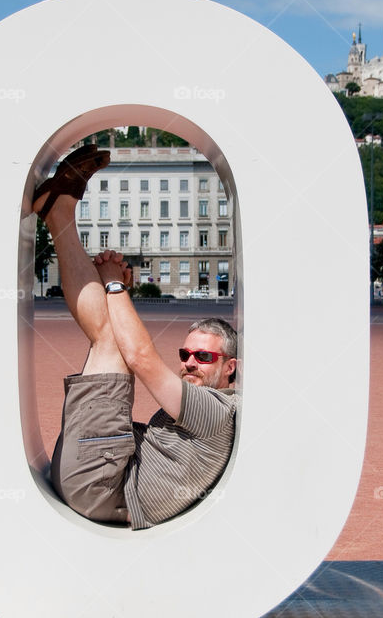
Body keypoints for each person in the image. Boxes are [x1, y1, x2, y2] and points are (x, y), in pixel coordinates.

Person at [37, 144, 239, 529]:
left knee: (112, 343)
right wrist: (114, 291)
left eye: (204, 357)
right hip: (103, 469)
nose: (189, 363)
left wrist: (113, 285)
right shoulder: (215, 407)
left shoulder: (217, 410)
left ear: (231, 367)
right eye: (185, 354)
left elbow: (141, 358)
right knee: (109, 336)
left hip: (100, 484)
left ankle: (58, 214)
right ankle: (57, 214)